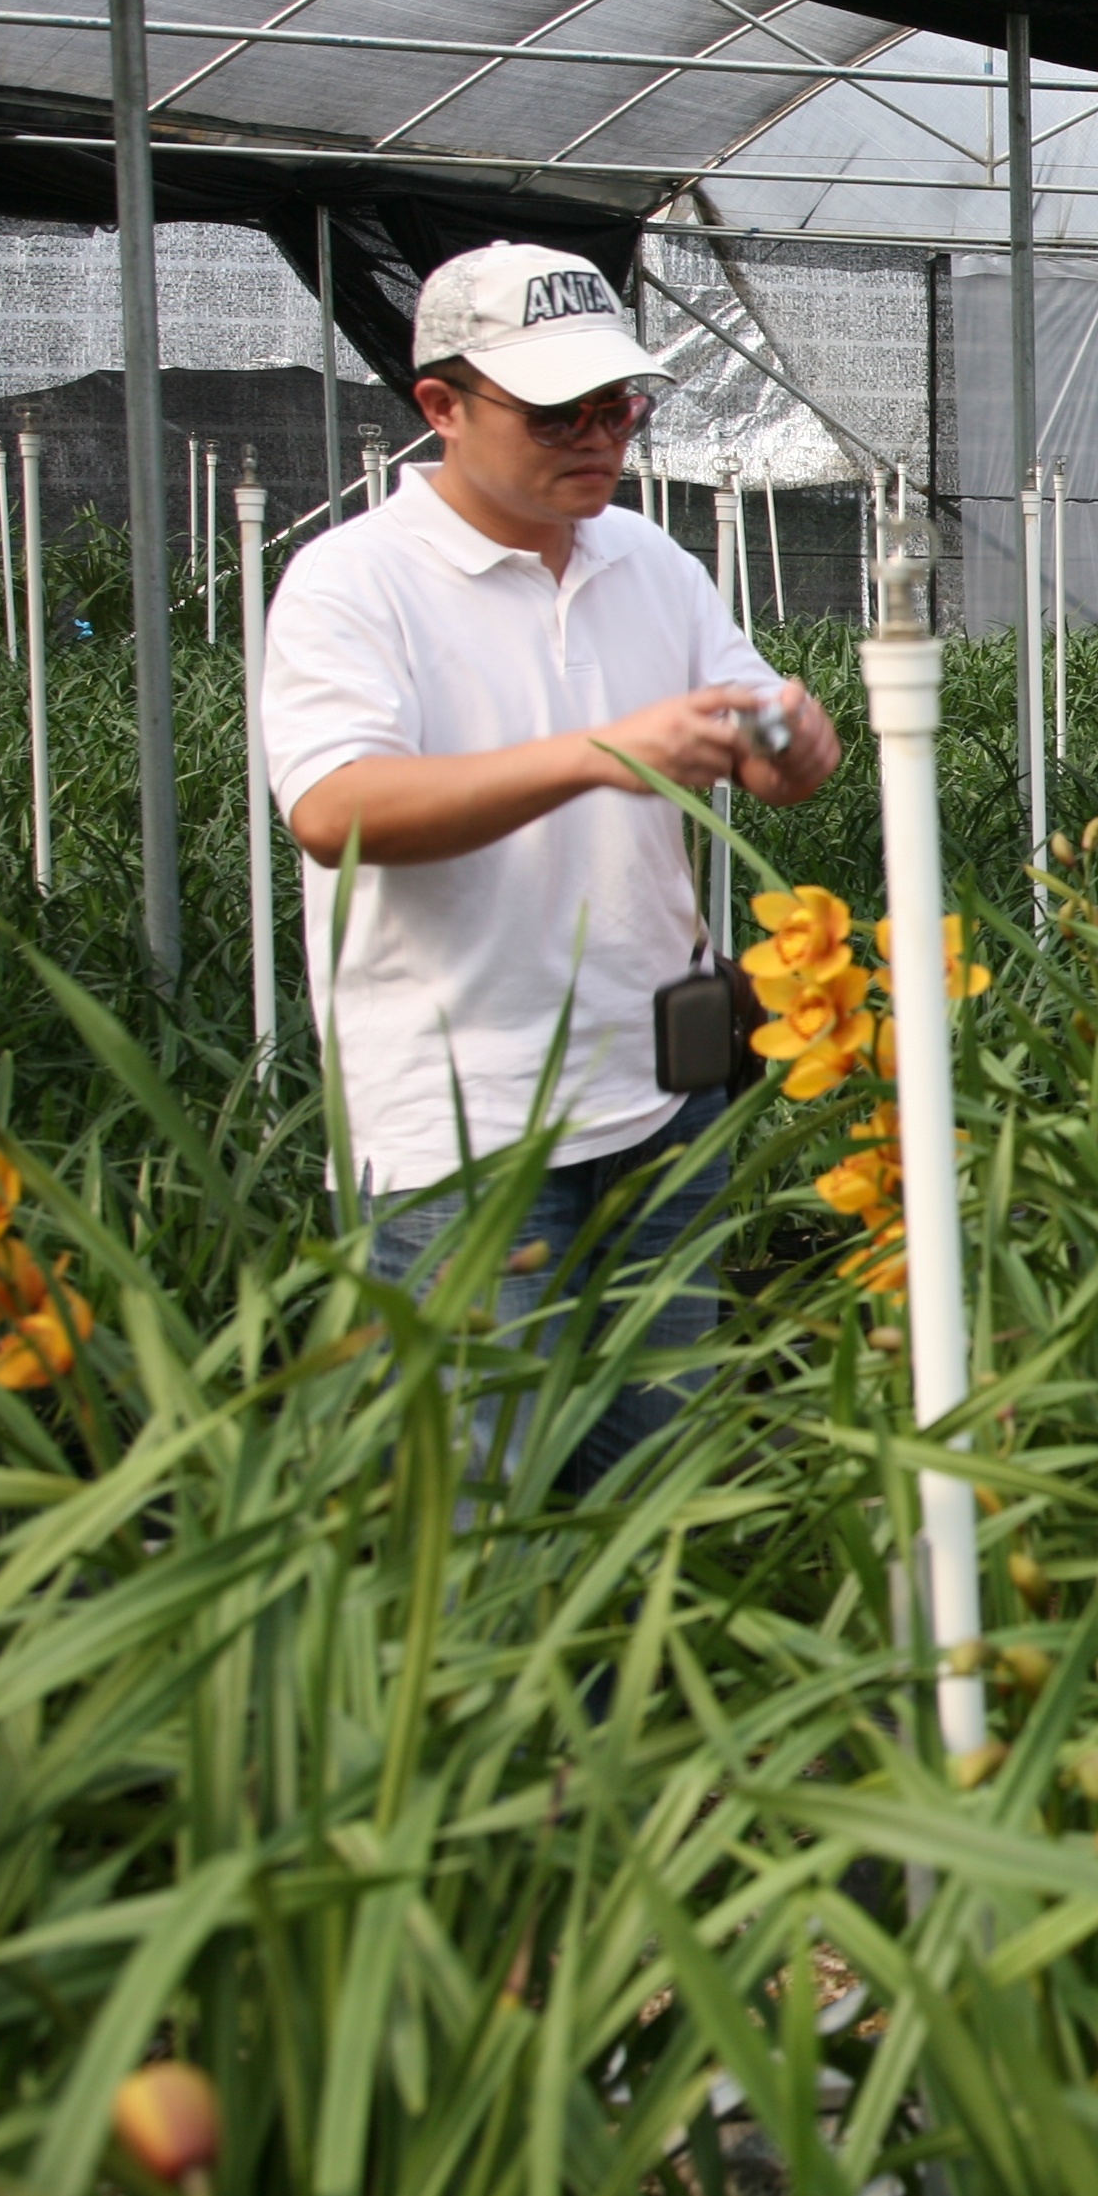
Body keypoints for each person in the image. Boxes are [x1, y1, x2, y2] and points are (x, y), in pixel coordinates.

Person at [263, 241, 843, 1490]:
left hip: (662, 1097)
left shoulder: (649, 559)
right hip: (463, 1129)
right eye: (555, 412)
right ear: (441, 407)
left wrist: (790, 743)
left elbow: (778, 738)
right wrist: (602, 752)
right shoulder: (352, 583)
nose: (599, 437)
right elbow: (336, 808)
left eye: (619, 406)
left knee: (652, 1473)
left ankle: (639, 1687)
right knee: (489, 1511)